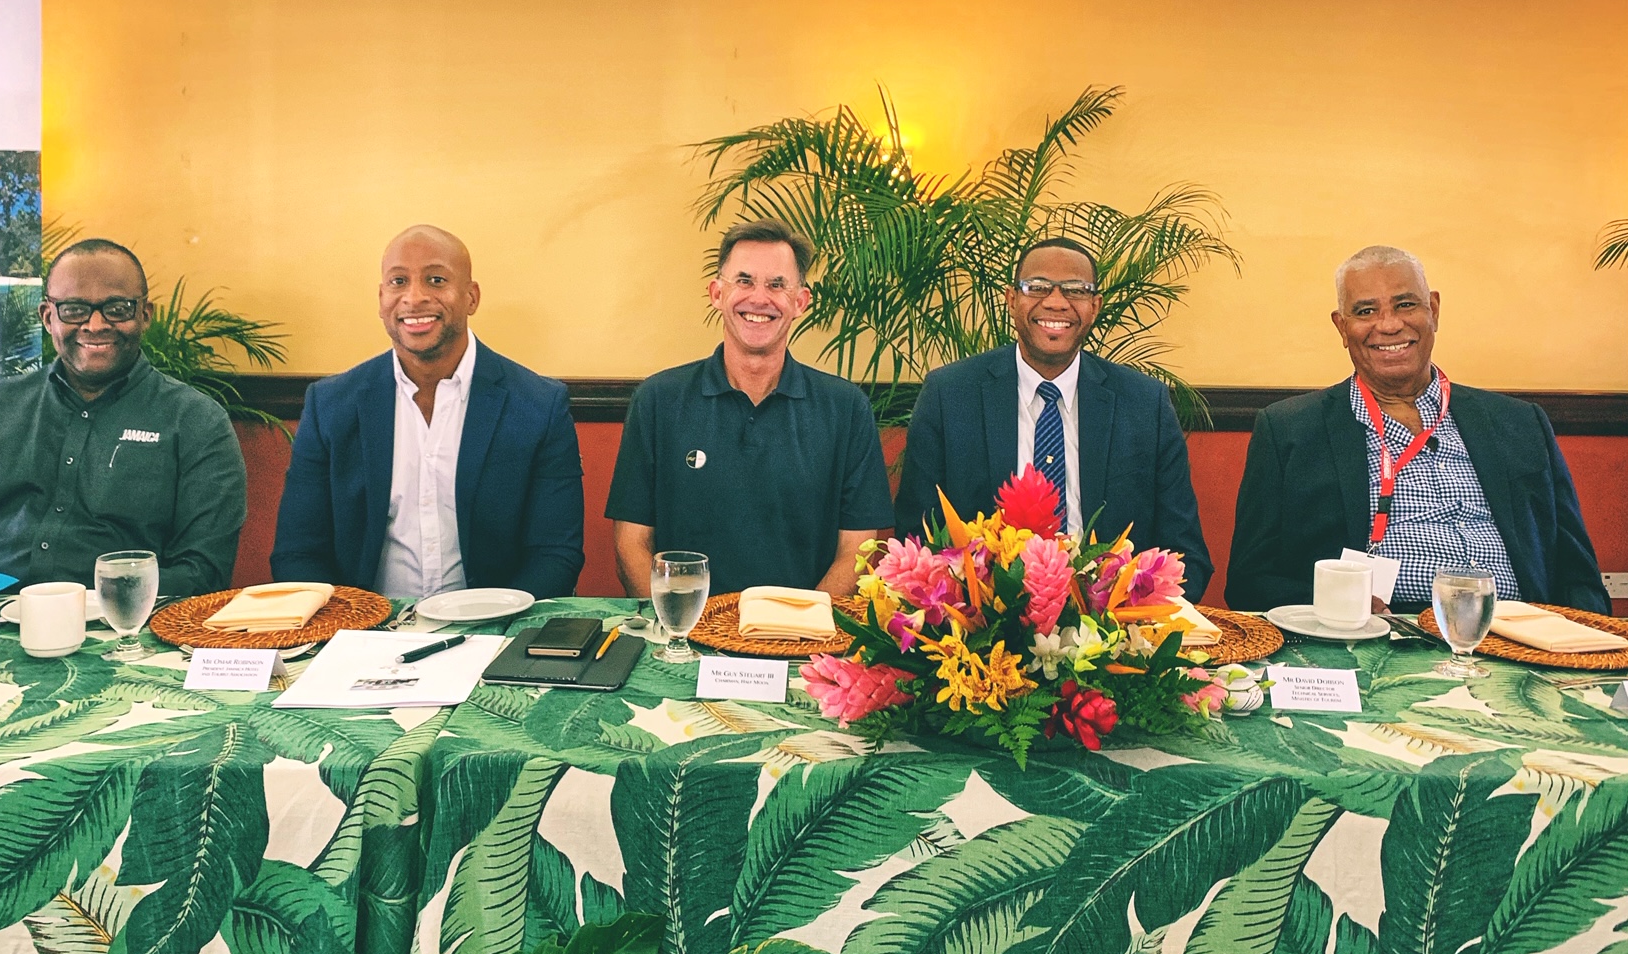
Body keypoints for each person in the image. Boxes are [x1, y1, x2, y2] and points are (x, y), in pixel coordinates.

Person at [1226, 245, 1608, 614]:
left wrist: (1572, 641)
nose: (1389, 324)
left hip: (1519, 630)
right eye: (1366, 311)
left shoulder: (1521, 424)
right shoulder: (1288, 431)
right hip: (1378, 635)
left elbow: (1580, 578)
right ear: (1342, 327)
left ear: (1434, 311)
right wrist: (1338, 603)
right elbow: (1249, 582)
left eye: (1405, 304)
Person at [0, 238, 246, 595]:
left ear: (144, 315)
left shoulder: (196, 423)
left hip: (118, 627)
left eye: (118, 308)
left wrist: (94, 606)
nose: (95, 325)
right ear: (47, 316)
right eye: (74, 309)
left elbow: (202, 573)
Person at [270, 225, 583, 598]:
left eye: (436, 280)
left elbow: (555, 555)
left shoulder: (538, 405)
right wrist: (353, 623)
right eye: (398, 281)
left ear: (471, 297)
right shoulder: (330, 405)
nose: (414, 298)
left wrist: (494, 621)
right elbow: (298, 553)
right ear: (381, 298)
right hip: (363, 626)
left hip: (497, 624)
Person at [896, 237, 1213, 601]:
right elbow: (917, 539)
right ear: (1011, 299)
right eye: (1038, 287)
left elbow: (1185, 554)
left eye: (1076, 290)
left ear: (1094, 307)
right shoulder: (950, 395)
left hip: (1114, 616)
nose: (1056, 302)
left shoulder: (1143, 404)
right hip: (983, 619)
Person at [606, 218, 893, 599]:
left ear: (800, 302)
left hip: (803, 631)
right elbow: (631, 545)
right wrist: (678, 624)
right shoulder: (658, 401)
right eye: (744, 281)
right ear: (717, 293)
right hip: (684, 630)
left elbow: (857, 553)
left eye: (776, 285)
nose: (759, 298)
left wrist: (801, 624)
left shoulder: (847, 409)